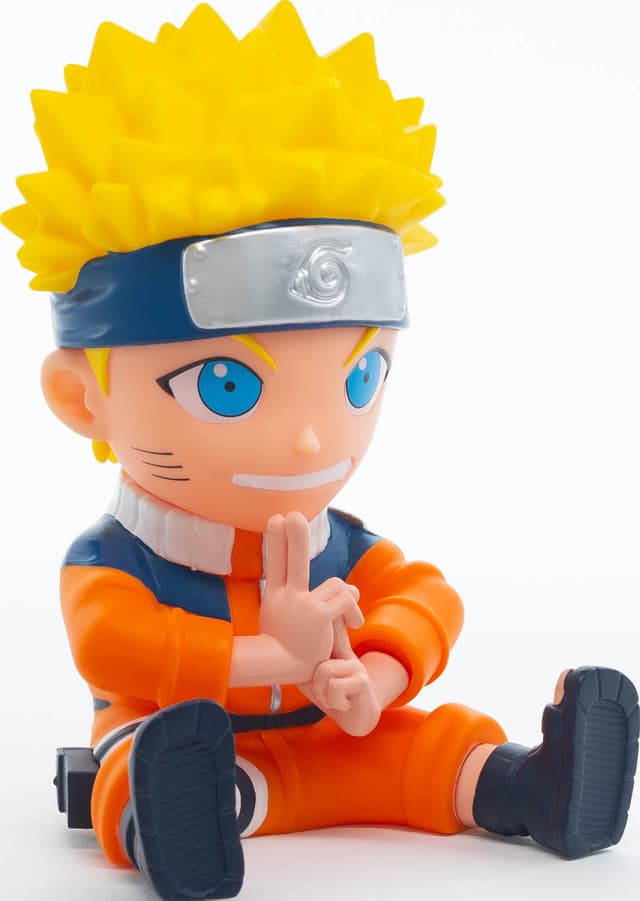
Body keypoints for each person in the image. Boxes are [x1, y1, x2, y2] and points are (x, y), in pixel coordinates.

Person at [2, 4, 637, 901]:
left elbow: (428, 595)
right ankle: (176, 821)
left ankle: (534, 788)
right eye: (228, 385)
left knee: (432, 744)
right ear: (82, 398)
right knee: (134, 765)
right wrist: (273, 655)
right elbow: (112, 643)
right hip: (186, 740)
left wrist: (370, 676)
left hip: (337, 741)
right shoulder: (116, 558)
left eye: (359, 377)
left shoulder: (340, 543)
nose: (309, 437)